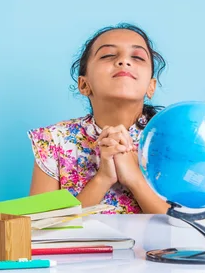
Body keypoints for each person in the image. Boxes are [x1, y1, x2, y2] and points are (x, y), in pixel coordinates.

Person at [27, 23, 170, 214]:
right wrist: (102, 179)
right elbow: (38, 228)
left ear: (151, 87)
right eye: (108, 55)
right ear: (84, 84)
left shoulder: (170, 139)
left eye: (137, 57)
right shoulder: (53, 140)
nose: (124, 62)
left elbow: (185, 228)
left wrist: (135, 178)